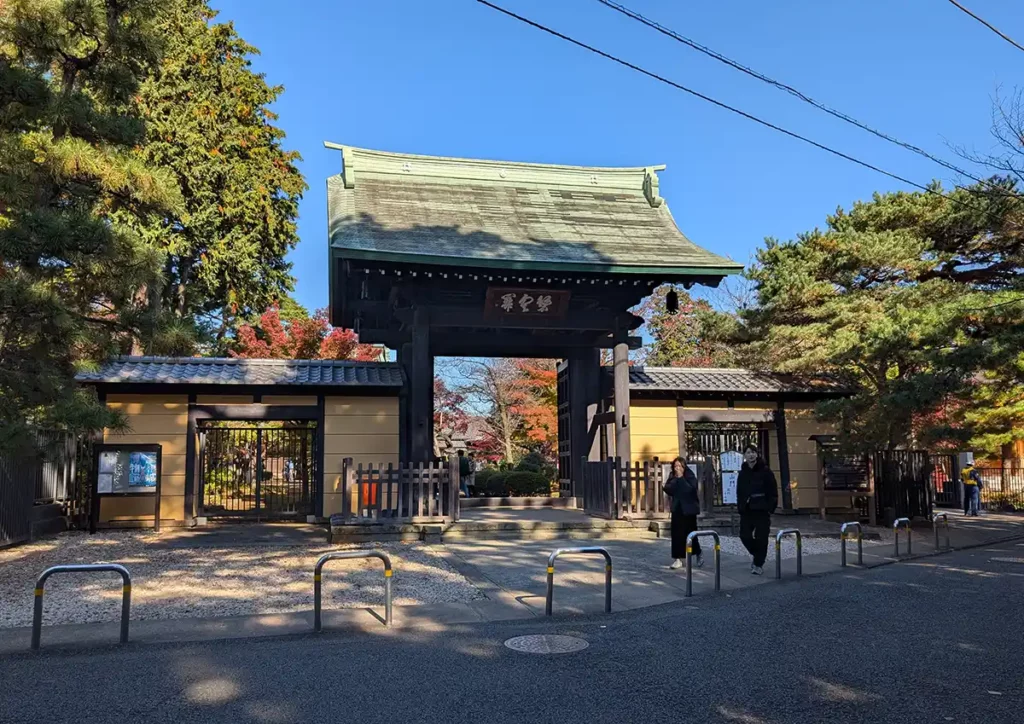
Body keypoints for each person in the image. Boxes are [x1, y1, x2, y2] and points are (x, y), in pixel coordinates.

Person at [736, 444, 778, 576]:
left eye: (753, 452)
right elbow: (740, 491)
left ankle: (758, 564)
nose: (751, 455)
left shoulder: (765, 471)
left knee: (762, 538)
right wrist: (741, 506)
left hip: (761, 509)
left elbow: (773, 491)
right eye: (748, 452)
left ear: (757, 454)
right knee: (744, 536)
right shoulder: (743, 472)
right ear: (745, 456)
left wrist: (770, 507)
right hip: (747, 509)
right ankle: (757, 554)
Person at [663, 457, 702, 570]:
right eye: (675, 466)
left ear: (684, 466)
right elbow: (669, 488)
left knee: (691, 535)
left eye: (679, 466)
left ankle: (698, 552)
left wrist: (680, 479)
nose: (677, 468)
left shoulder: (689, 476)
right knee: (676, 535)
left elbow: (690, 490)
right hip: (677, 509)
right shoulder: (672, 476)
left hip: (689, 510)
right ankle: (678, 558)